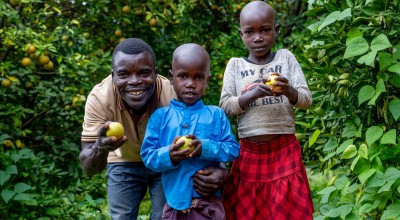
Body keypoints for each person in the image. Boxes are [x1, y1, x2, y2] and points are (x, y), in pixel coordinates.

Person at [79, 38, 229, 220]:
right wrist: (101, 147)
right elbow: (88, 167)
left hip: (167, 161)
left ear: (156, 73)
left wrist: (221, 171)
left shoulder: (173, 93)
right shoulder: (99, 98)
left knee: (163, 215)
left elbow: (203, 137)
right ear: (113, 76)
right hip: (123, 160)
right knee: (122, 217)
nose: (134, 81)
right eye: (124, 74)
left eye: (144, 73)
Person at [219, 1, 314, 220]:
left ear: (276, 30)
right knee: (250, 209)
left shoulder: (286, 58)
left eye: (265, 30)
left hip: (284, 148)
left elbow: (306, 100)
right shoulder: (235, 65)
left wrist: (288, 90)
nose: (258, 38)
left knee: (287, 209)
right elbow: (225, 105)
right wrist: (250, 94)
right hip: (249, 151)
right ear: (241, 34)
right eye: (250, 32)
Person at [140, 43, 240, 220]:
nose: (190, 84)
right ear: (172, 77)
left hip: (209, 206)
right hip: (174, 204)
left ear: (207, 80)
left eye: (199, 77)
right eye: (183, 76)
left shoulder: (216, 115)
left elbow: (232, 149)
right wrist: (168, 155)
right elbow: (148, 156)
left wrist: (205, 148)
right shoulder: (160, 117)